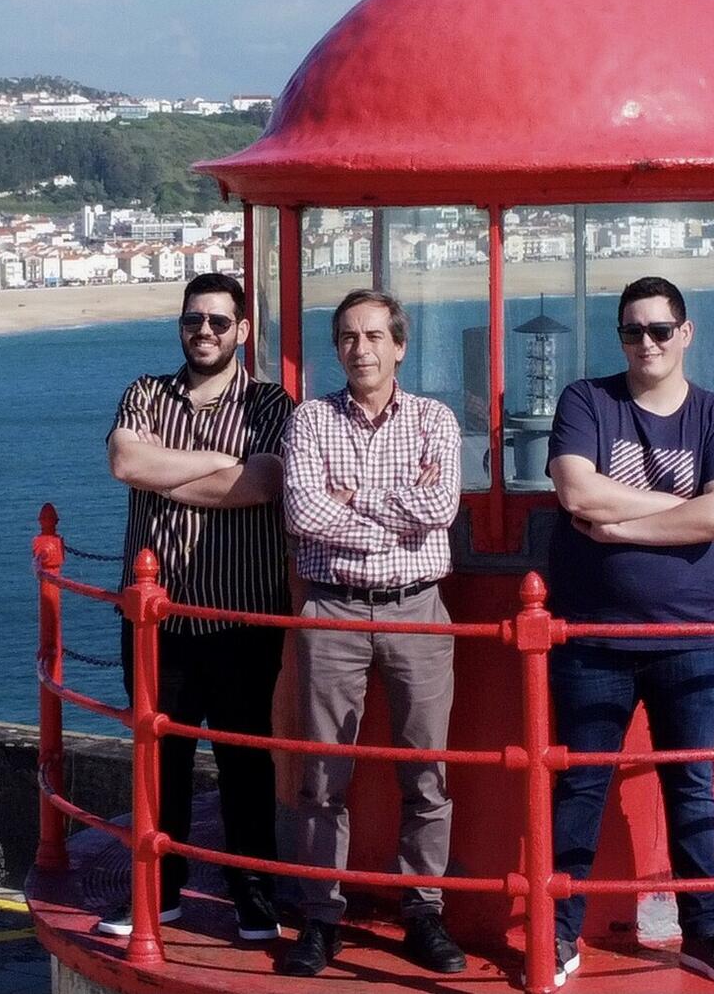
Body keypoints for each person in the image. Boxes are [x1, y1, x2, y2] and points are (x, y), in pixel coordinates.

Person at [543, 276, 714, 987]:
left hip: (694, 636)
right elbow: (576, 490)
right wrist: (681, 506)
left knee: (693, 787)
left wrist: (621, 522)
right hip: (594, 637)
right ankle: (558, 931)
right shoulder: (586, 401)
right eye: (633, 330)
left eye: (661, 329)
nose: (647, 343)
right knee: (579, 791)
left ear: (686, 333)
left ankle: (705, 932)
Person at [275, 290, 468, 978]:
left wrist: (352, 499)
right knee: (323, 774)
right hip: (333, 610)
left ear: (400, 345)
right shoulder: (310, 420)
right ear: (338, 348)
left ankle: (424, 910)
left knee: (428, 770)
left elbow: (441, 506)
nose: (362, 348)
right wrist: (393, 517)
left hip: (417, 607)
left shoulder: (434, 420)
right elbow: (303, 511)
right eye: (350, 337)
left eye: (375, 335)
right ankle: (320, 916)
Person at [96, 272, 291, 946]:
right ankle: (160, 888)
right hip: (157, 622)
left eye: (216, 321)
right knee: (160, 759)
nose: (202, 331)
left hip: (242, 620)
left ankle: (254, 897)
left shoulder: (270, 402)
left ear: (242, 330)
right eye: (192, 320)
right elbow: (125, 460)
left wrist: (173, 469)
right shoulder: (145, 392)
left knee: (245, 762)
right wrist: (218, 465)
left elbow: (262, 482)